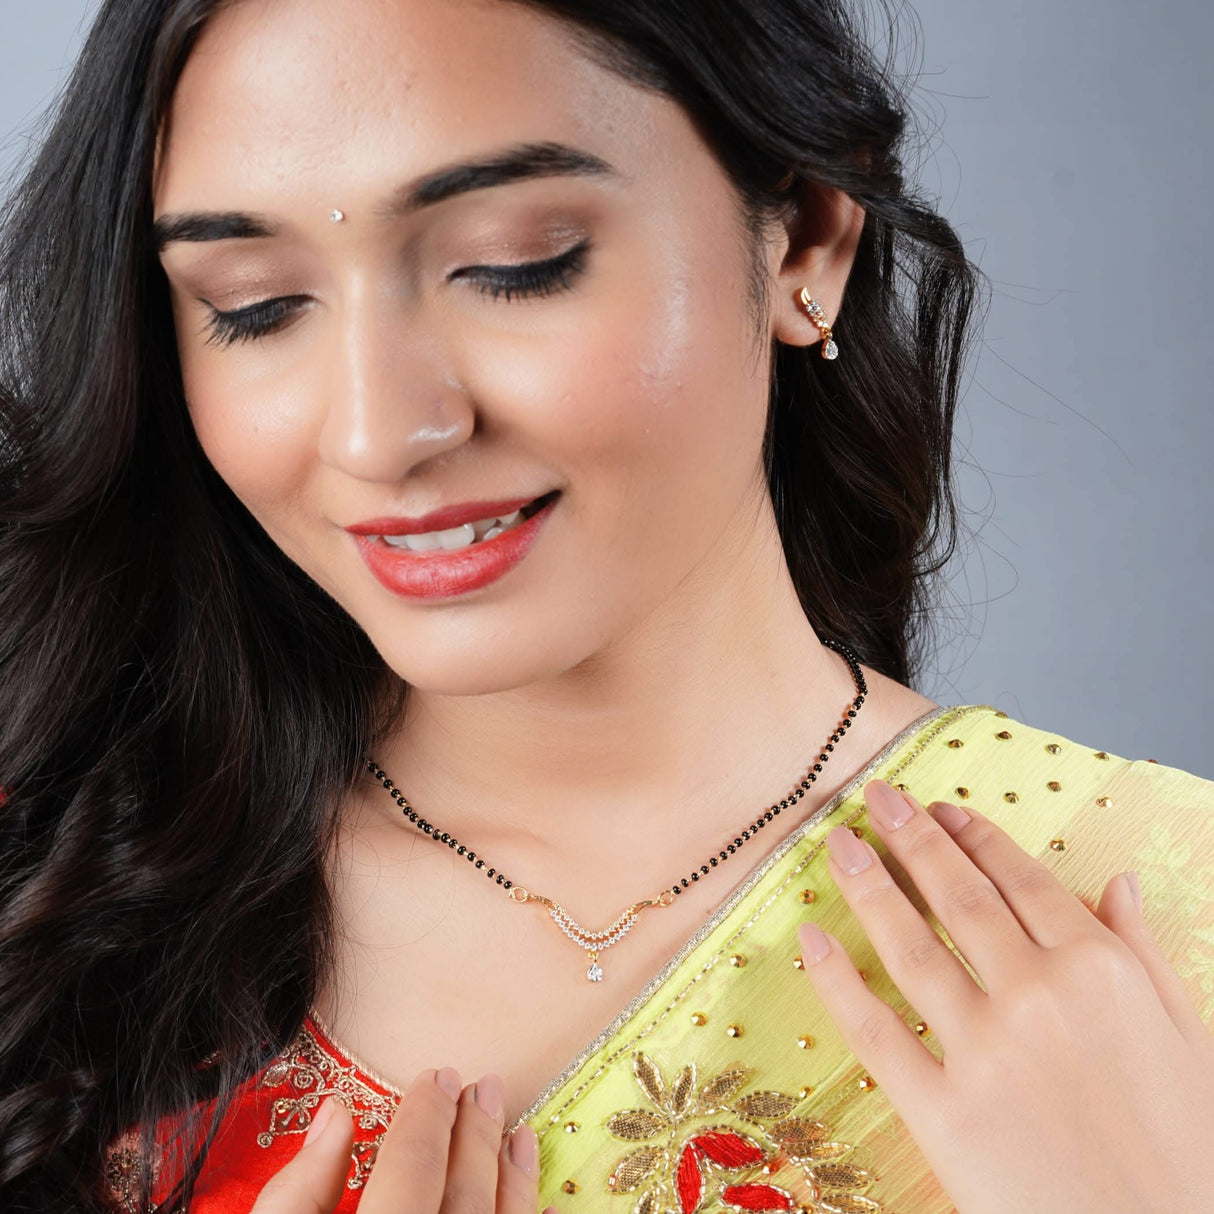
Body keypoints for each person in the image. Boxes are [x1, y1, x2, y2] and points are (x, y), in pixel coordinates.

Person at [1, 0, 1211, 1212]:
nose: (379, 433)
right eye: (254, 306)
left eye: (514, 266)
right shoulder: (51, 886)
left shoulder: (1162, 903)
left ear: (804, 244)